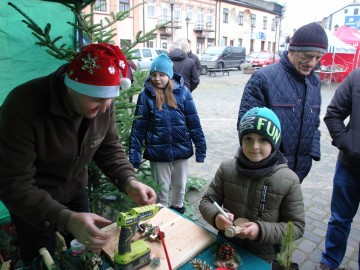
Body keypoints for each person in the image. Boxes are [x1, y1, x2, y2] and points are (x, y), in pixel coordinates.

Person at [0, 43, 157, 266]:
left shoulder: (103, 102)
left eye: (109, 99)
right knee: (43, 260)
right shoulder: (22, 107)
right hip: (33, 202)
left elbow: (108, 147)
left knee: (88, 254)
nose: (104, 109)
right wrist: (66, 219)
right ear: (72, 86)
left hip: (75, 190)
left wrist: (129, 181)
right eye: (96, 99)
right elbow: (14, 184)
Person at [200, 107, 305, 262]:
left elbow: (296, 227)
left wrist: (261, 230)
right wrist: (216, 217)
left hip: (262, 255)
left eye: (263, 139)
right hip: (227, 246)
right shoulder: (226, 169)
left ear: (274, 141)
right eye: (248, 138)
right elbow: (207, 201)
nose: (254, 146)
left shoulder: (289, 180)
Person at [237, 22, 329, 182]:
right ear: (292, 51)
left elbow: (314, 122)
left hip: (299, 169)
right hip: (267, 170)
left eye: (318, 58)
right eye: (307, 56)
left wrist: (312, 151)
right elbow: (246, 126)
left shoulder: (314, 80)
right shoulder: (263, 79)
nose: (312, 63)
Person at [129, 53, 206, 214]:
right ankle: (162, 217)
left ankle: (178, 211)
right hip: (158, 152)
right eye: (154, 75)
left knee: (179, 186)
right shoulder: (146, 95)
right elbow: (138, 128)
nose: (157, 78)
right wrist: (135, 157)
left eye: (161, 75)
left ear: (169, 75)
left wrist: (200, 149)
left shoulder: (183, 92)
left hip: (181, 148)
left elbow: (193, 122)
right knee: (161, 190)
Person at [316, 69, 360, 270]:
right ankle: (330, 262)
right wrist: (348, 144)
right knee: (339, 220)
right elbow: (333, 114)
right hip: (349, 167)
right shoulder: (357, 77)